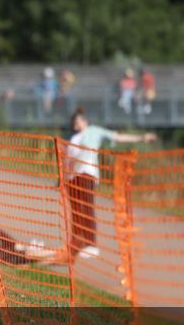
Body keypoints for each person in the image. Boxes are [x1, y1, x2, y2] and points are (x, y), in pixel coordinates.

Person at [64, 108, 154, 261]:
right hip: (72, 177)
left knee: (87, 208)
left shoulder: (94, 131)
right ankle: (76, 242)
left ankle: (91, 244)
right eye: (75, 122)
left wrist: (141, 137)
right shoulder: (73, 139)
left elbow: (117, 136)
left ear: (85, 121)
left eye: (79, 120)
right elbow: (68, 159)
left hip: (87, 173)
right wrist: (64, 178)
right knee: (76, 211)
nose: (77, 124)